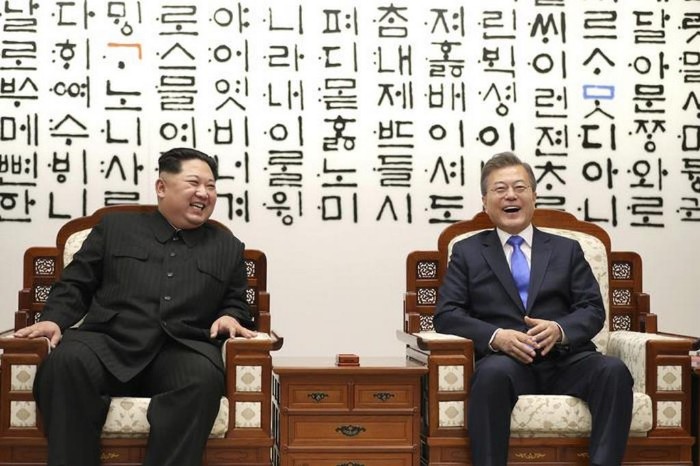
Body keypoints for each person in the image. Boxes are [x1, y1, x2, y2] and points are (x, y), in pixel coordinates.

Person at [14, 147, 257, 466]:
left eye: (211, 186)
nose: (204, 193)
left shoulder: (227, 247)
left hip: (181, 349)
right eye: (194, 183)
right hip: (109, 342)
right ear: (161, 187)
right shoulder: (115, 228)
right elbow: (76, 283)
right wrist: (54, 320)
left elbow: (236, 301)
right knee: (66, 363)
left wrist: (230, 316)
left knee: (201, 379)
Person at [434, 151, 633, 466]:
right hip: (506, 363)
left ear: (534, 197)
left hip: (567, 360)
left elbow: (592, 308)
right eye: (500, 189)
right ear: (485, 202)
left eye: (519, 187)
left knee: (613, 371)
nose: (510, 195)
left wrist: (559, 330)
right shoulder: (467, 251)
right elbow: (447, 315)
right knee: (490, 376)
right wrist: (497, 336)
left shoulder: (566, 249)